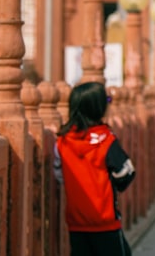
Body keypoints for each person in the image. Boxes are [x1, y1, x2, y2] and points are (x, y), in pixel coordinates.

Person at [54, 81, 136, 256]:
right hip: (105, 222)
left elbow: (59, 174)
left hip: (77, 223)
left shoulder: (62, 142)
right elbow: (125, 172)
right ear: (98, 108)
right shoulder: (106, 140)